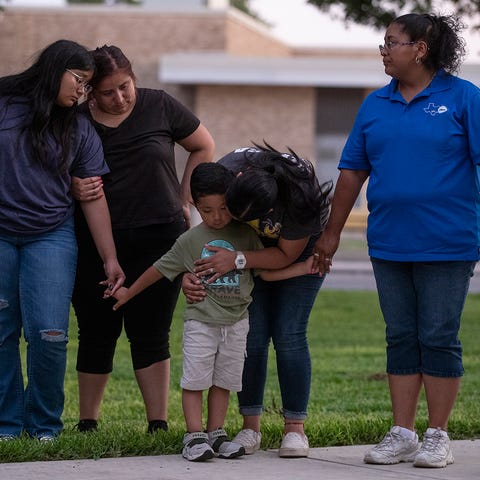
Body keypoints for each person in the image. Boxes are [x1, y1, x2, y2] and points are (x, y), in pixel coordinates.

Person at [314, 13, 480, 469]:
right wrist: (330, 235)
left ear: (421, 48)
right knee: (401, 336)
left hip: (448, 242)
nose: (384, 50)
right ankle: (403, 433)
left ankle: (437, 435)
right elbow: (351, 173)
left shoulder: (465, 98)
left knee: (439, 336)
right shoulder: (374, 105)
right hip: (388, 242)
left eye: (392, 42)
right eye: (383, 43)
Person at [111, 162, 318, 461]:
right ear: (194, 204)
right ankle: (194, 436)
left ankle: (216, 433)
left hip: (236, 324)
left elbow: (267, 272)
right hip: (202, 323)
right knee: (195, 379)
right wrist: (129, 292)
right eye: (208, 210)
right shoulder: (190, 240)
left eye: (223, 208)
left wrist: (304, 267)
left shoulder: (246, 236)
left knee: (225, 381)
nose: (218, 217)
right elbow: (160, 268)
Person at [70, 45, 215, 434]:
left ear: (134, 80)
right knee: (96, 328)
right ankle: (87, 422)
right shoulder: (76, 120)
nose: (119, 98)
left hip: (161, 238)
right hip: (94, 243)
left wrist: (186, 198)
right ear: (90, 92)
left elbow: (203, 145)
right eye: (107, 92)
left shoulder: (160, 105)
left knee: (151, 330)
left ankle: (158, 423)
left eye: (125, 87)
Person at [0, 39, 125, 442]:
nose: (82, 92)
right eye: (80, 81)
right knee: (1, 330)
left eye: (89, 85)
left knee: (49, 333)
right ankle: (6, 426)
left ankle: (43, 426)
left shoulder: (77, 125)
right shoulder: (3, 104)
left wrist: (110, 259)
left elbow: (93, 193)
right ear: (56, 69)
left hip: (51, 236)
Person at [183, 143, 332, 457]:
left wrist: (237, 260)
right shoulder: (227, 170)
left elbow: (283, 255)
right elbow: (208, 228)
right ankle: (250, 426)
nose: (228, 217)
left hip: (297, 254)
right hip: (237, 252)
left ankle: (295, 429)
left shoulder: (299, 197)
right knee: (251, 336)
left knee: (289, 334)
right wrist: (190, 272)